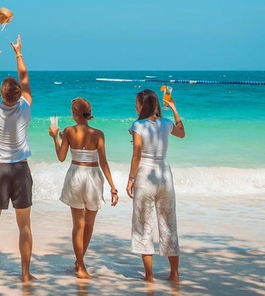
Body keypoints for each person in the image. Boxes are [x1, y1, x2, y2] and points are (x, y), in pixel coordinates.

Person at [0, 35, 35, 283]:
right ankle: (25, 274)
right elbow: (25, 79)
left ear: (2, 94)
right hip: (20, 170)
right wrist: (19, 53)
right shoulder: (25, 107)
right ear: (18, 94)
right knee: (24, 225)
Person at [48, 97, 119, 279]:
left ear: (74, 113)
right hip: (93, 177)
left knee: (77, 224)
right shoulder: (99, 134)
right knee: (88, 224)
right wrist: (113, 187)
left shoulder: (69, 131)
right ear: (88, 112)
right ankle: (80, 264)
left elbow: (61, 157)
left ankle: (80, 264)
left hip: (75, 176)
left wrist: (55, 138)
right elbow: (104, 163)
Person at [126, 89, 186, 283]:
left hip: (145, 176)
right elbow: (182, 133)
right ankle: (174, 274)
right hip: (165, 176)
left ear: (142, 105)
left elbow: (137, 154)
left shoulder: (138, 125)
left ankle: (149, 276)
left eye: (137, 103)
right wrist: (174, 109)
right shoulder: (167, 123)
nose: (135, 106)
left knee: (143, 225)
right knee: (169, 223)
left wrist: (130, 179)